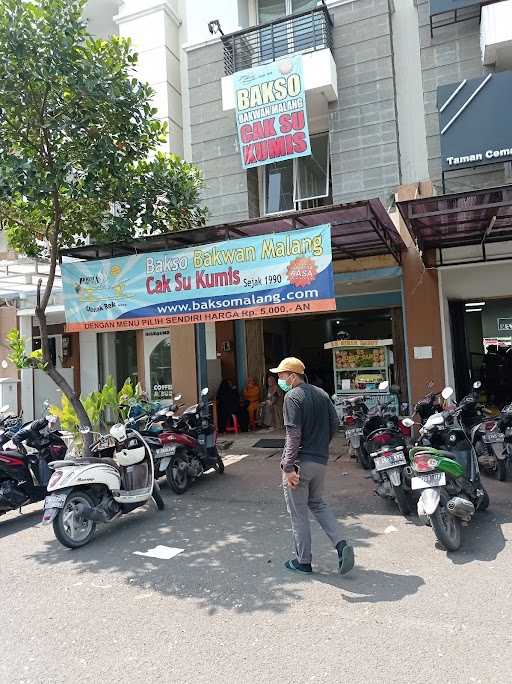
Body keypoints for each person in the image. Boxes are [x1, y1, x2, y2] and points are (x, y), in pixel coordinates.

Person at [269, 356, 354, 575]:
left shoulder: (292, 397)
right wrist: (320, 446)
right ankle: (341, 545)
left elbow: (293, 434)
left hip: (299, 464)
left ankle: (303, 561)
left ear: (292, 376)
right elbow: (335, 424)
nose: (279, 379)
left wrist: (287, 466)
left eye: (281, 375)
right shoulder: (322, 394)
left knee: (298, 514)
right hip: (320, 461)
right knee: (317, 503)